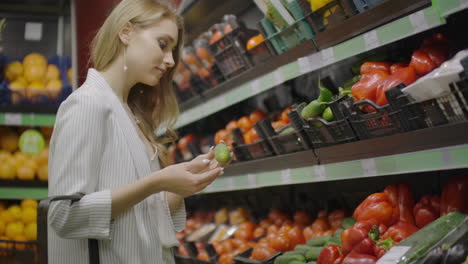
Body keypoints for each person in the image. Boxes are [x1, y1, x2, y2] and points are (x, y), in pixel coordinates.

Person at [47, 0, 227, 263]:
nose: (169, 60)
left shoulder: (132, 114)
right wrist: (156, 182)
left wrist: (183, 184)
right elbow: (64, 215)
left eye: (173, 50)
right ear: (126, 32)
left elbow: (143, 215)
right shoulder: (88, 104)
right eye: (162, 44)